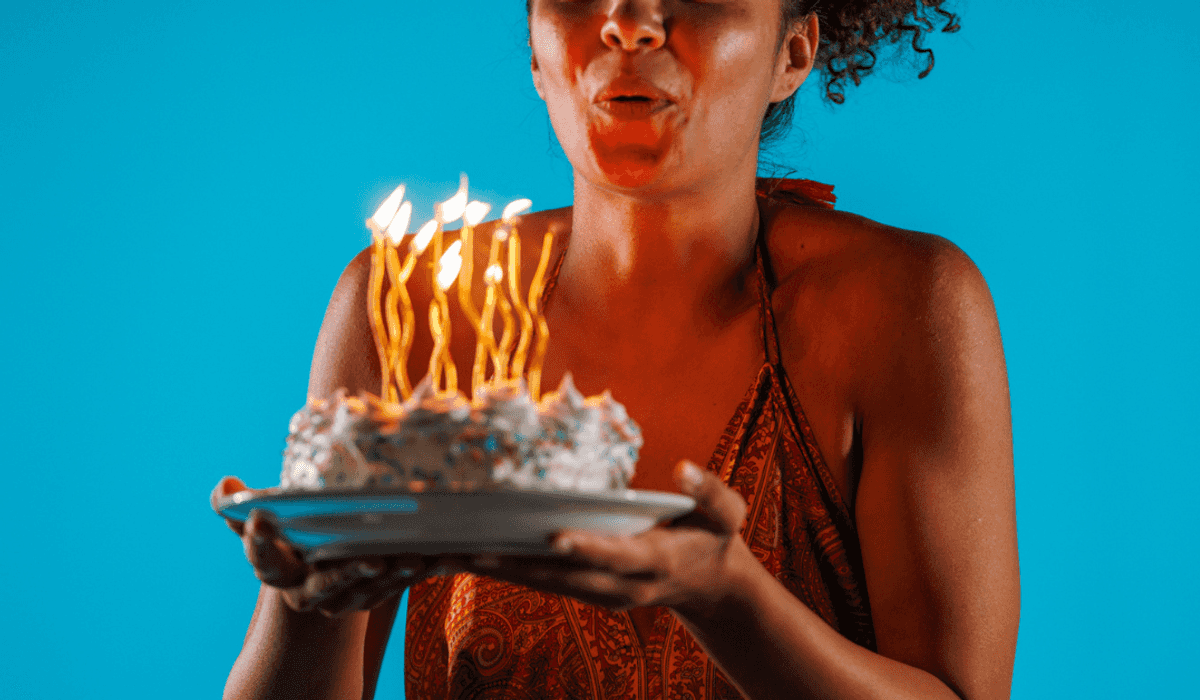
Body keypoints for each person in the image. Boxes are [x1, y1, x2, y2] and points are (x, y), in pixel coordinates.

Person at [213, 0, 1020, 698]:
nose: (629, 21)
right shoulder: (408, 307)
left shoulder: (901, 306)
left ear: (792, 53)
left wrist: (729, 599)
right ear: (535, 50)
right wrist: (304, 601)